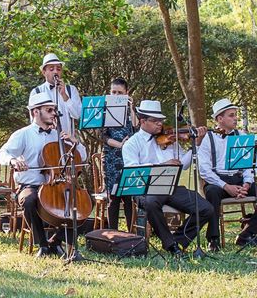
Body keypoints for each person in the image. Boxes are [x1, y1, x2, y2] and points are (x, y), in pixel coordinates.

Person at [0, 92, 87, 258]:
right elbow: (2, 153)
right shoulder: (23, 134)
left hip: (58, 184)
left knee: (84, 203)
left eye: (54, 110)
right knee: (30, 200)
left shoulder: (58, 135)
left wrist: (75, 143)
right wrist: (13, 161)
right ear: (35, 112)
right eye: (49, 110)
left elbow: (82, 157)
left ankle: (55, 242)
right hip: (30, 184)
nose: (54, 114)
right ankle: (43, 245)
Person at [122, 100, 214, 257]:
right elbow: (132, 171)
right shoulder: (131, 144)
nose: (160, 124)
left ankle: (178, 240)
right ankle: (171, 246)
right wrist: (162, 164)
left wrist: (196, 143)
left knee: (206, 209)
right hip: (145, 189)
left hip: (170, 186)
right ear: (142, 121)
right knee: (151, 202)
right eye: (155, 121)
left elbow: (183, 165)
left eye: (161, 121)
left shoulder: (169, 140)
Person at [199, 98, 257, 249]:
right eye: (231, 115)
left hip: (239, 179)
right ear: (220, 119)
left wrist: (247, 183)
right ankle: (213, 239)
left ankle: (248, 233)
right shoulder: (207, 138)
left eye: (236, 115)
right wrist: (226, 186)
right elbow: (204, 170)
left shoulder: (243, 137)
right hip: (218, 181)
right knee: (211, 192)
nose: (235, 118)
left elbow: (248, 166)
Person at [101, 78, 135, 231]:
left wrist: (132, 108)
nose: (115, 95)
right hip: (111, 158)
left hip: (128, 158)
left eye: (119, 93)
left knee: (128, 197)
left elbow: (136, 128)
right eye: (113, 92)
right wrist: (120, 145)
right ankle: (113, 233)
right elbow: (103, 136)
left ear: (126, 93)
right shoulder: (104, 111)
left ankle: (131, 233)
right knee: (113, 197)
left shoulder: (130, 111)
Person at [30, 53, 81, 134]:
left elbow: (77, 115)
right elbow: (33, 121)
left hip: (68, 141)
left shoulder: (71, 89)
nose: (55, 71)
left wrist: (65, 96)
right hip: (46, 141)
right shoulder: (36, 92)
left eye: (58, 69)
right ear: (44, 72)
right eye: (51, 69)